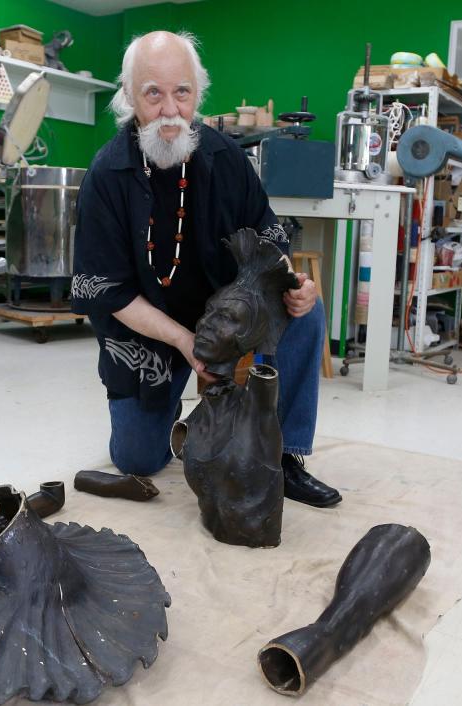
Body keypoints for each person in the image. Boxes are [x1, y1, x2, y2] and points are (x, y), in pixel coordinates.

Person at [71, 31, 340, 508]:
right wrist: (181, 340)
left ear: (197, 94)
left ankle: (285, 457)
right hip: (146, 334)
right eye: (153, 93)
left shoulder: (226, 158)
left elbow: (269, 235)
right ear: (130, 96)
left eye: (182, 92)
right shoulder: (106, 175)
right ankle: (174, 406)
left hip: (225, 317)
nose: (170, 110)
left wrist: (292, 282)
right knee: (138, 459)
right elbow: (106, 291)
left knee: (304, 312)